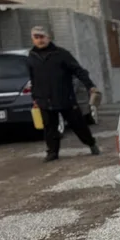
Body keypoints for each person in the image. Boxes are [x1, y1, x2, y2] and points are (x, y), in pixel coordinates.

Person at [26, 25, 101, 161]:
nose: (39, 40)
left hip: (65, 97)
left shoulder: (61, 54)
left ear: (48, 38)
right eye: (36, 37)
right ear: (32, 39)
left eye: (42, 37)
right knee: (50, 128)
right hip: (44, 99)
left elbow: (78, 71)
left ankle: (91, 144)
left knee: (78, 124)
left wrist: (90, 85)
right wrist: (35, 97)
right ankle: (52, 153)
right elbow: (33, 79)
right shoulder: (32, 57)